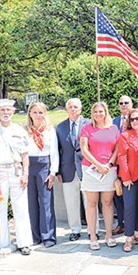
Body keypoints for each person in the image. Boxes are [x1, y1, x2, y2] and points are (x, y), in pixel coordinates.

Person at [0, 99, 33, 255]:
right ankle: (2, 243)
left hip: (16, 170)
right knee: (0, 207)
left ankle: (24, 243)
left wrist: (25, 174)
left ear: (13, 112)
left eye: (8, 110)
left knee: (20, 207)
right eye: (2, 110)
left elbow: (25, 154)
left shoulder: (19, 130)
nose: (6, 113)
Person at [80, 102, 120, 250]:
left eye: (101, 111)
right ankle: (92, 236)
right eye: (95, 111)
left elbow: (117, 148)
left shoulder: (113, 128)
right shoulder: (86, 129)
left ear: (106, 112)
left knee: (108, 202)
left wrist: (109, 164)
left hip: (109, 170)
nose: (98, 114)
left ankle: (108, 235)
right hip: (91, 170)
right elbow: (84, 150)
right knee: (91, 203)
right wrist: (97, 165)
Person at [56, 98, 92, 241]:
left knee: (90, 202)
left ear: (81, 109)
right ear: (66, 110)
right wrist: (58, 171)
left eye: (76, 107)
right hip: (68, 170)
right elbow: (57, 150)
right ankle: (75, 230)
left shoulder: (89, 124)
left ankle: (92, 230)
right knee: (71, 202)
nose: (73, 109)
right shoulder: (60, 127)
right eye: (70, 107)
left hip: (87, 169)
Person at [26, 101, 59, 248]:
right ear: (30, 114)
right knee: (31, 202)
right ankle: (35, 236)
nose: (38, 115)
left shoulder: (49, 130)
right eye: (35, 112)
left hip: (44, 166)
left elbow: (54, 152)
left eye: (41, 112)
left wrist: (52, 172)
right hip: (28, 166)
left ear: (45, 114)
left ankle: (48, 236)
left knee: (46, 202)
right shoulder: (25, 131)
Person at [117, 108, 138, 252]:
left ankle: (137, 235)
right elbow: (122, 157)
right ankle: (128, 238)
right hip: (130, 177)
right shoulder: (125, 136)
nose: (135, 121)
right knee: (129, 207)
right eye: (132, 119)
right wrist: (126, 177)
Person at [110, 96, 132, 235]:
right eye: (121, 103)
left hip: (132, 163)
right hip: (117, 164)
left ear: (131, 104)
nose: (123, 105)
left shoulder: (135, 119)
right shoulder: (114, 122)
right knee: (118, 194)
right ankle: (121, 223)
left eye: (126, 103)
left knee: (134, 195)